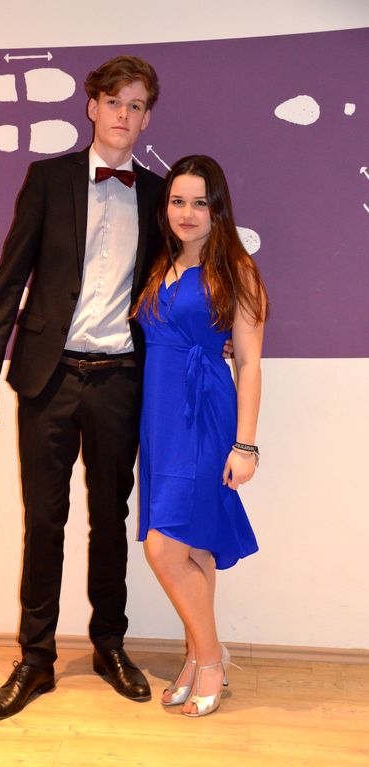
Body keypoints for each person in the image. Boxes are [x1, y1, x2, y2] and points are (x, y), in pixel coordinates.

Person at [0, 55, 165, 721]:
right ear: (92, 106)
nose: (123, 115)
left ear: (146, 117)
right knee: (44, 519)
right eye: (114, 102)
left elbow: (175, 282)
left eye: (136, 105)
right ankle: (35, 659)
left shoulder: (159, 194)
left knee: (112, 519)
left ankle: (110, 646)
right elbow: (12, 270)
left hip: (120, 379)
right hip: (48, 377)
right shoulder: (48, 179)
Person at [132, 155, 268, 718]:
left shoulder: (236, 269)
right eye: (177, 201)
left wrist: (245, 445)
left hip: (204, 413)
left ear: (218, 209)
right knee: (192, 546)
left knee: (162, 547)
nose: (187, 213)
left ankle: (211, 659)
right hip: (159, 419)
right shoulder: (161, 264)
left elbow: (250, 364)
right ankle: (196, 656)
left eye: (199, 202)